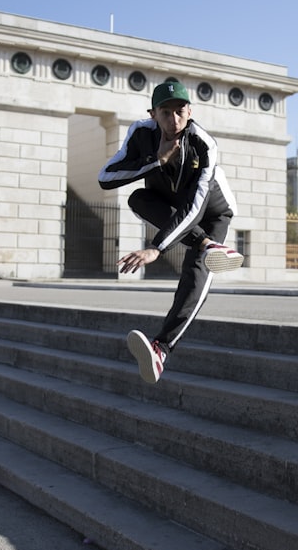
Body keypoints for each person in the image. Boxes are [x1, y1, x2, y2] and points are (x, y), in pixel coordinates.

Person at [98, 80, 243, 384]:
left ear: (190, 111)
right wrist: (156, 160)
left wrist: (157, 248)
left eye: (180, 112)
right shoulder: (140, 133)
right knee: (138, 198)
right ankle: (210, 246)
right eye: (165, 113)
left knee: (197, 269)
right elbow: (106, 177)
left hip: (211, 210)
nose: (173, 120)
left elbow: (195, 206)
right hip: (171, 205)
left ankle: (161, 348)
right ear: (152, 113)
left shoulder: (204, 144)